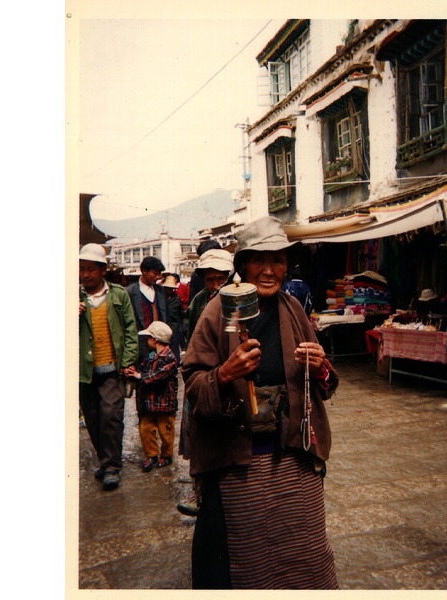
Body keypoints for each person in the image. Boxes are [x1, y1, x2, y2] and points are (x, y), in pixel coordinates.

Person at [181, 216, 340, 589]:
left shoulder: (294, 309)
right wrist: (224, 373)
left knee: (306, 558)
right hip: (240, 464)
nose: (269, 270)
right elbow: (193, 385)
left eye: (278, 260)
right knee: (247, 562)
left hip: (294, 460)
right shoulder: (217, 311)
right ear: (243, 264)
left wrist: (318, 367)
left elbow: (327, 383)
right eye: (259, 259)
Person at [177, 248, 234, 517]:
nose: (214, 285)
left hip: (227, 375)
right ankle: (200, 493)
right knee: (197, 434)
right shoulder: (200, 300)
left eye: (220, 279)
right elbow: (191, 340)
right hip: (202, 377)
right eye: (210, 279)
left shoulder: (237, 300)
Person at [79, 243, 139, 491]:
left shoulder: (118, 295)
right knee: (92, 419)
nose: (85, 275)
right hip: (83, 373)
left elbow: (130, 330)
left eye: (90, 269)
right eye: (81, 269)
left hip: (112, 370)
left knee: (111, 418)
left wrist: (127, 362)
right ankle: (105, 461)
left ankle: (112, 466)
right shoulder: (70, 298)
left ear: (103, 270)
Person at [123, 321, 179, 472]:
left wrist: (140, 376)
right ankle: (151, 455)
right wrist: (134, 372)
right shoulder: (150, 356)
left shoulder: (170, 358)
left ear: (155, 340)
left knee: (165, 430)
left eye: (148, 338)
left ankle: (166, 455)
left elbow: (158, 376)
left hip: (164, 403)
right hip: (149, 403)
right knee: (145, 428)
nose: (146, 341)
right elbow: (142, 369)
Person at [125, 256, 168, 364]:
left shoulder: (161, 291)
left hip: (158, 344)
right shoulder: (130, 292)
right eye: (155, 273)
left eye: (159, 274)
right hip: (139, 345)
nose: (158, 277)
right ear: (144, 271)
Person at [162, 274, 185, 364]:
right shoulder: (161, 297)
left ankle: (175, 363)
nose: (169, 290)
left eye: (171, 288)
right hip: (164, 324)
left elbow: (181, 313)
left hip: (175, 326)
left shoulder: (176, 298)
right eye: (167, 288)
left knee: (175, 346)